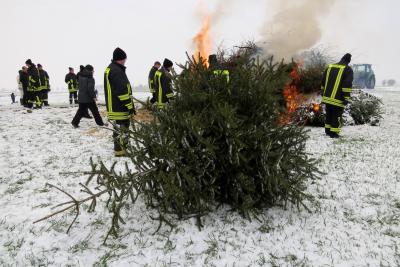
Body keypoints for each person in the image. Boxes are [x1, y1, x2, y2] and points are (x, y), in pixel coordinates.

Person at [104, 47, 135, 157]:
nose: (125, 61)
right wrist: (129, 105)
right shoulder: (116, 71)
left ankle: (119, 150)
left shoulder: (111, 68)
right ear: (120, 59)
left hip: (114, 105)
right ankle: (122, 151)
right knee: (123, 128)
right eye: (124, 59)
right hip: (120, 106)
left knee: (118, 129)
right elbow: (122, 91)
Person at [321, 53, 353, 138]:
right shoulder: (347, 69)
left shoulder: (330, 66)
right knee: (336, 116)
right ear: (348, 61)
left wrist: (323, 92)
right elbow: (347, 84)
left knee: (329, 115)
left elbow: (323, 80)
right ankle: (334, 133)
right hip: (338, 99)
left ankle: (328, 131)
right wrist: (346, 97)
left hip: (327, 98)